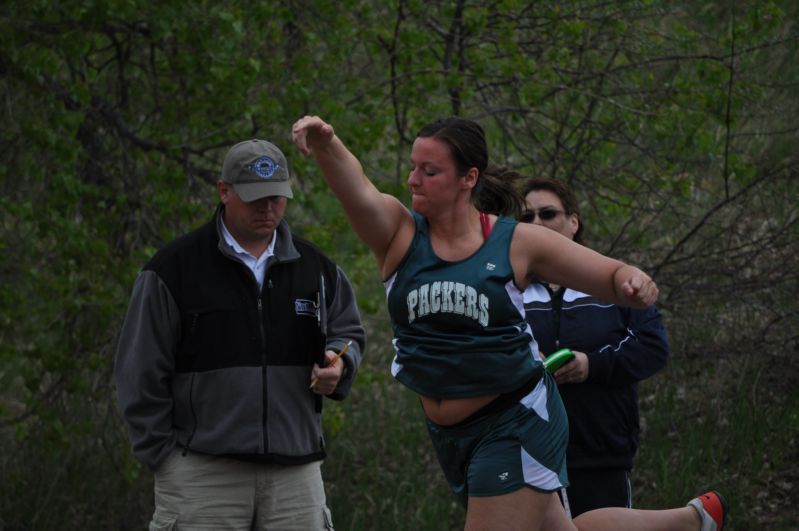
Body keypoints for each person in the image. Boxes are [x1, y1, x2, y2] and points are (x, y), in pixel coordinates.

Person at [291, 115, 726, 531]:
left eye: (429, 171)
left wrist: (632, 281)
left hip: (516, 420)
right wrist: (328, 143)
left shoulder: (515, 242)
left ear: (469, 178)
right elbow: (356, 189)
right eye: (412, 168)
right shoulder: (399, 233)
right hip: (451, 434)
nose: (412, 181)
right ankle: (690, 521)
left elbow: (608, 275)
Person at [115, 138, 366, 530]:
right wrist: (162, 456)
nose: (268, 209)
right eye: (255, 198)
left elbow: (347, 331)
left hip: (295, 474)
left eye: (276, 198)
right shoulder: (173, 269)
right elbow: (139, 370)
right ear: (224, 191)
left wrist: (340, 363)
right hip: (201, 472)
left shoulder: (316, 268)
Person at [519, 176, 670, 517]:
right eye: (527, 218)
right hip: (525, 456)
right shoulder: (509, 291)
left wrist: (592, 365)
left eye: (548, 214)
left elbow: (653, 347)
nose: (537, 224)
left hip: (601, 449)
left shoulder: (614, 283)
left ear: (574, 221)